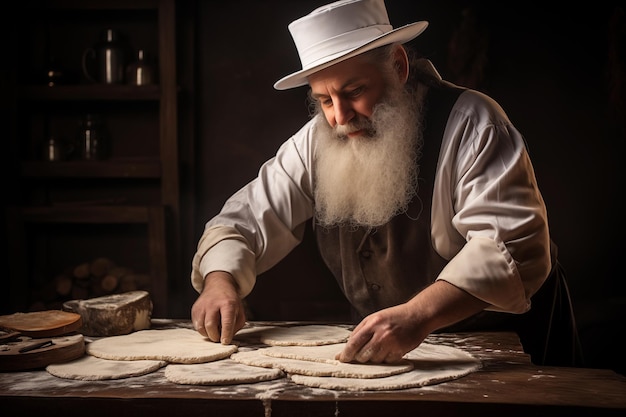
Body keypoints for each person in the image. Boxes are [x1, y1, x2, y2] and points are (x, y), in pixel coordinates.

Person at [191, 0, 582, 366]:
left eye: (355, 91)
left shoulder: (474, 122)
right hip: (395, 349)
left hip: (507, 345)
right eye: (324, 100)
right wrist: (219, 282)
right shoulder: (316, 139)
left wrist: (418, 315)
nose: (340, 117)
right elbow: (242, 220)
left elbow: (509, 246)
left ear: (397, 66)